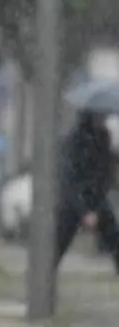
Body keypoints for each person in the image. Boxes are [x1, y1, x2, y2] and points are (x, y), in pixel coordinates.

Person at [55, 110, 119, 271]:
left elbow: (105, 171)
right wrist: (84, 211)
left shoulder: (103, 137)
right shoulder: (76, 140)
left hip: (96, 197)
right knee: (58, 242)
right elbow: (70, 179)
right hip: (75, 199)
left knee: (113, 237)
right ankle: (44, 277)